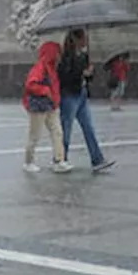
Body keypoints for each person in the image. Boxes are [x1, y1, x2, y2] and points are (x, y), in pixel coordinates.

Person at [56, 29, 116, 173]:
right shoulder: (66, 57)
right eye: (84, 39)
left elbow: (87, 77)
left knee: (89, 128)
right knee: (66, 129)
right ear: (76, 39)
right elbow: (64, 77)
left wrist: (90, 73)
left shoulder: (83, 56)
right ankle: (60, 159)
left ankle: (97, 159)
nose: (86, 42)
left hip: (81, 94)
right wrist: (81, 73)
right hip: (69, 95)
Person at [23, 39, 71, 174]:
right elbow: (31, 85)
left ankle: (58, 160)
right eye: (57, 53)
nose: (59, 56)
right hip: (40, 106)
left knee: (57, 132)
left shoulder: (51, 69)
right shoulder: (41, 68)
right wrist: (46, 91)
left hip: (50, 105)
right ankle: (29, 162)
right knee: (35, 135)